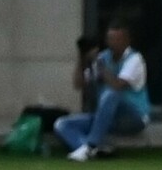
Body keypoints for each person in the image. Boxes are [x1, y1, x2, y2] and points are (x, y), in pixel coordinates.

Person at [54, 21, 150, 162]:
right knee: (62, 124)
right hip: (105, 118)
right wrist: (82, 59)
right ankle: (93, 150)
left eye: (117, 39)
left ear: (127, 41)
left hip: (133, 117)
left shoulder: (135, 59)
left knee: (112, 93)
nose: (113, 43)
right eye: (110, 39)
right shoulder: (103, 57)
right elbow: (79, 84)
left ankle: (91, 144)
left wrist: (99, 65)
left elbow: (117, 85)